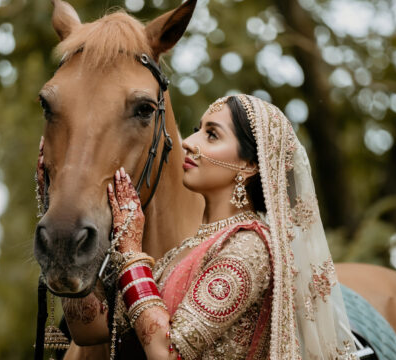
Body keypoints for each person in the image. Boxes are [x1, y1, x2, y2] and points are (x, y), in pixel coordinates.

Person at [106, 94, 358, 359]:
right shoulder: (188, 248)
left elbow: (167, 352)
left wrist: (131, 252)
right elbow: (98, 329)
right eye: (196, 131)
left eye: (212, 135)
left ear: (249, 165)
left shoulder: (249, 249)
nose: (188, 143)